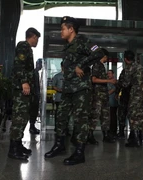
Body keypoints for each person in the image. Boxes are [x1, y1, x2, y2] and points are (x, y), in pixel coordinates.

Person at [44, 16, 105, 165]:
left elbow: (99, 53)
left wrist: (82, 65)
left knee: (80, 120)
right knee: (61, 116)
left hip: (81, 88)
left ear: (71, 29)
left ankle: (79, 153)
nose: (61, 32)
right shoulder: (68, 45)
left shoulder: (83, 41)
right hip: (68, 88)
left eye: (63, 28)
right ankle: (59, 146)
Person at [8, 27, 40, 160]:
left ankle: (18, 145)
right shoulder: (23, 46)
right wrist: (24, 82)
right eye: (37, 38)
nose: (37, 41)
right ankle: (13, 149)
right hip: (21, 88)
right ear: (32, 37)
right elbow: (18, 65)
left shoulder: (28, 49)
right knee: (19, 118)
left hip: (24, 89)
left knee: (23, 117)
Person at [116, 50, 143, 147]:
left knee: (133, 115)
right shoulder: (141, 67)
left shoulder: (129, 68)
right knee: (142, 116)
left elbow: (125, 83)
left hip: (136, 93)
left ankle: (135, 140)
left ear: (125, 59)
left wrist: (116, 83)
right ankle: (142, 138)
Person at [87, 49, 116, 144]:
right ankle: (89, 135)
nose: (106, 59)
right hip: (97, 95)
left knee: (105, 116)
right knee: (95, 116)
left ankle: (106, 135)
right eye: (106, 57)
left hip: (104, 95)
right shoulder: (96, 65)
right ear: (103, 56)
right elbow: (94, 79)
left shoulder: (102, 66)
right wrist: (108, 81)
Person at [52, 61, 71, 136]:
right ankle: (57, 129)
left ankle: (66, 129)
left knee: (67, 115)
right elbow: (53, 86)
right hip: (59, 98)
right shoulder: (57, 76)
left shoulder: (70, 75)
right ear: (62, 66)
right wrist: (59, 90)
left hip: (67, 98)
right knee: (58, 114)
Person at [115, 69, 131, 138]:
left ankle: (121, 133)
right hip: (134, 96)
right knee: (133, 116)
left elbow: (120, 83)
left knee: (122, 115)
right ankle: (135, 134)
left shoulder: (125, 71)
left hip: (125, 96)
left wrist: (117, 92)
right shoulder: (139, 70)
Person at [29, 58, 42, 134]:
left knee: (35, 111)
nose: (40, 66)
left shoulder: (37, 72)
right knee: (33, 111)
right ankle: (31, 127)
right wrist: (35, 94)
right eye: (39, 64)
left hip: (36, 94)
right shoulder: (34, 72)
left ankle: (32, 126)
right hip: (34, 95)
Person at [107, 70, 119, 137]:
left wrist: (107, 93)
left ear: (113, 74)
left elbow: (113, 89)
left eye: (109, 73)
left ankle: (113, 130)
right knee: (108, 117)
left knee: (113, 116)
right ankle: (109, 130)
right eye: (107, 73)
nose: (108, 75)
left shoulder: (115, 82)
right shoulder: (107, 81)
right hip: (108, 102)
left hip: (113, 101)